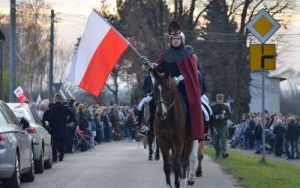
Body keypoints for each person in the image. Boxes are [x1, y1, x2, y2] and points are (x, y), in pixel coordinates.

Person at [48, 93, 74, 162]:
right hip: (63, 127)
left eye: (54, 98)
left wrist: (51, 125)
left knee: (55, 144)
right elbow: (72, 115)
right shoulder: (65, 107)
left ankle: (54, 158)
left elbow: (50, 118)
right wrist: (68, 121)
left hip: (55, 128)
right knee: (62, 143)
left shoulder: (53, 107)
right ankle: (61, 157)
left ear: (56, 98)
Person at [211, 94, 230, 158]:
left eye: (221, 99)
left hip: (223, 126)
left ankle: (224, 153)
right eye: (218, 99)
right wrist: (215, 116)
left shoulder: (226, 107)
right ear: (216, 99)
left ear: (223, 99)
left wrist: (224, 116)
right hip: (215, 127)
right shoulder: (212, 107)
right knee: (215, 142)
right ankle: (218, 152)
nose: (220, 100)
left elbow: (229, 115)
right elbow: (210, 116)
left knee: (223, 141)